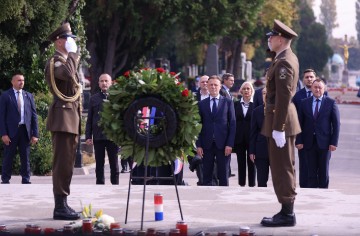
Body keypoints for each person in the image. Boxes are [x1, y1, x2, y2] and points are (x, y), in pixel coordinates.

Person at [260, 19, 301, 227]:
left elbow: (284, 96)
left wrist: (278, 128)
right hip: (279, 118)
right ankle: (286, 210)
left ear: (280, 39)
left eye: (271, 36)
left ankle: (287, 213)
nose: (269, 39)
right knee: (283, 166)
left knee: (282, 167)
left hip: (280, 120)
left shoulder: (284, 61)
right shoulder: (283, 58)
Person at [44, 22, 81, 220]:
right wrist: (73, 55)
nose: (72, 43)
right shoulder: (56, 61)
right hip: (62, 119)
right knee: (61, 164)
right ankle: (59, 207)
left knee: (67, 164)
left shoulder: (66, 60)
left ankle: (63, 203)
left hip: (70, 118)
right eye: (69, 39)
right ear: (59, 42)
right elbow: (66, 75)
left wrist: (73, 56)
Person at [296, 79, 340, 188]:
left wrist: (334, 142)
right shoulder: (304, 103)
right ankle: (312, 195)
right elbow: (299, 123)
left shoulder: (331, 103)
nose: (317, 89)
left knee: (323, 171)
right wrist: (299, 140)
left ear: (324, 89)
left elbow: (336, 124)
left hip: (325, 144)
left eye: (320, 87)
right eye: (315, 87)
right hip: (308, 143)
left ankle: (323, 193)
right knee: (310, 171)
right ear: (311, 88)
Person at [196, 75, 236, 186]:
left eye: (215, 85)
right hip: (206, 145)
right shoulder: (201, 104)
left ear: (220, 87)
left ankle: (223, 200)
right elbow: (198, 125)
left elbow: (232, 124)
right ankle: (208, 200)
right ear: (207, 86)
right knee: (206, 176)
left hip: (223, 145)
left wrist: (229, 144)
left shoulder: (228, 102)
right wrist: (198, 145)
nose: (213, 87)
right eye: (211, 85)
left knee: (223, 176)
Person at [0, 74, 38, 184]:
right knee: (8, 156)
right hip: (11, 132)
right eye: (19, 80)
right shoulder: (6, 96)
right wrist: (3, 134)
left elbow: (34, 116)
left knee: (25, 156)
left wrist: (35, 134)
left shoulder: (28, 96)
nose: (21, 82)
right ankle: (5, 179)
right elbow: (1, 116)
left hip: (25, 131)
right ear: (13, 82)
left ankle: (26, 179)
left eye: (23, 80)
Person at [85, 74, 120, 185]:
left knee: (114, 164)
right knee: (99, 164)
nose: (104, 83)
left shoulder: (116, 98)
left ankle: (115, 186)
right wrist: (88, 136)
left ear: (111, 83)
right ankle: (100, 186)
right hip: (98, 136)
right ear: (99, 83)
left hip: (112, 137)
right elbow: (89, 119)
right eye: (102, 81)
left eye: (106, 81)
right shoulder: (93, 99)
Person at [292, 69, 316, 188]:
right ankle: (305, 188)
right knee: (305, 164)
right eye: (307, 77)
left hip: (320, 137)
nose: (309, 79)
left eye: (311, 77)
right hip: (304, 137)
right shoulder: (297, 96)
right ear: (303, 79)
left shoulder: (323, 93)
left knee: (318, 165)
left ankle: (318, 188)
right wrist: (298, 139)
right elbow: (295, 119)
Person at [234, 81, 256, 187]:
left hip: (252, 138)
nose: (246, 90)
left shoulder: (256, 105)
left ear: (252, 91)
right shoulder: (235, 104)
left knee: (252, 162)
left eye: (248, 89)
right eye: (244, 89)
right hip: (239, 139)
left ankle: (252, 184)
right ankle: (241, 184)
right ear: (241, 91)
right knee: (241, 162)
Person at [249, 87, 270, 187]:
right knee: (261, 180)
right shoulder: (256, 111)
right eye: (264, 93)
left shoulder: (282, 111)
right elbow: (253, 133)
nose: (266, 95)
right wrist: (252, 151)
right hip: (261, 150)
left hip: (277, 151)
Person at [219, 73, 236, 177]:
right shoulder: (222, 91)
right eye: (231, 80)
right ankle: (226, 172)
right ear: (224, 80)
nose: (233, 82)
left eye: (233, 80)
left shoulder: (227, 92)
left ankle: (227, 171)